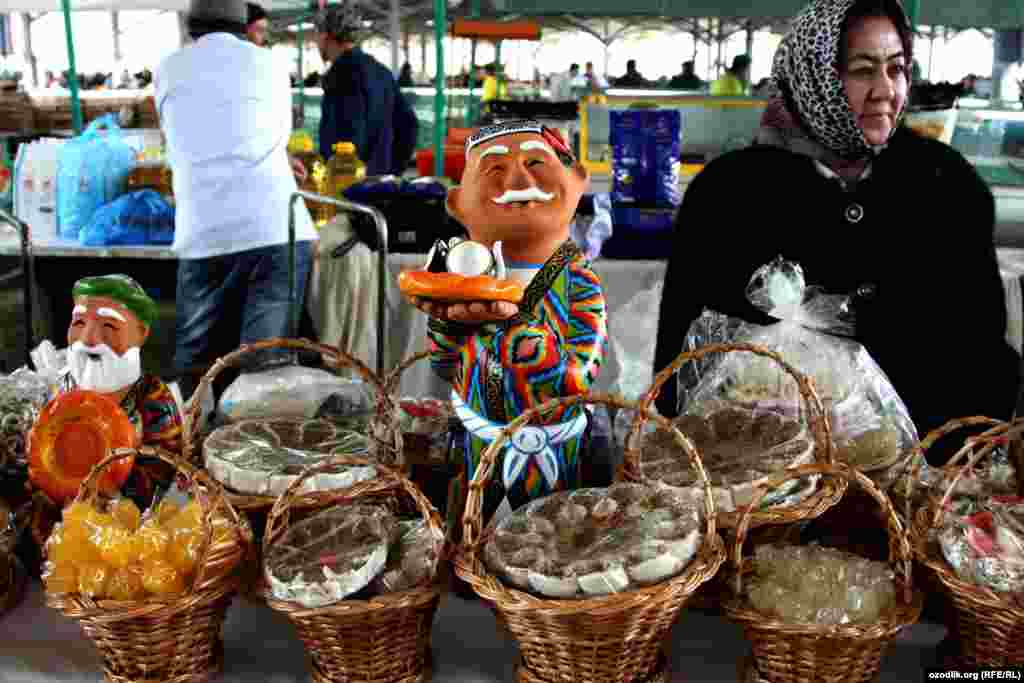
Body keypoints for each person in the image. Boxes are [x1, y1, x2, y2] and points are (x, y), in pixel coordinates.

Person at [652, 0, 1020, 466]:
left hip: (924, 475)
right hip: (769, 490)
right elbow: (681, 363)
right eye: (863, 70)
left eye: (898, 68)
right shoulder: (729, 194)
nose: (886, 90)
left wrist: (963, 469)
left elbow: (983, 348)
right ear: (813, 77)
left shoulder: (945, 182)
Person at [405, 120, 608, 532]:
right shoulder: (458, 281)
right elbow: (445, 366)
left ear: (576, 182)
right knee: (472, 537)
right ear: (459, 204)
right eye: (495, 171)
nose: (517, 180)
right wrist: (444, 323)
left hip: (554, 446)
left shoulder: (577, 282)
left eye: (536, 162)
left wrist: (510, 322)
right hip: (479, 440)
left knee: (551, 540)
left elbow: (578, 376)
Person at [155, 0, 317, 399]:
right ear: (244, 25)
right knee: (262, 370)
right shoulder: (271, 65)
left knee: (196, 362)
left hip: (203, 230)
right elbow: (276, 135)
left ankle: (187, 442)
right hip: (274, 226)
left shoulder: (168, 68)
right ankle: (252, 452)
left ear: (192, 25)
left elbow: (179, 136)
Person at [27, 274, 184, 558]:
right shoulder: (61, 389)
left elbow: (162, 466)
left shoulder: (152, 398)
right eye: (79, 323)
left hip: (124, 528)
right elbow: (40, 453)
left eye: (109, 325)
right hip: (64, 518)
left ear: (141, 332)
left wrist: (112, 502)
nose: (89, 339)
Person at [314, 2, 419, 175]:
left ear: (326, 36)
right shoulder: (381, 71)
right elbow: (409, 126)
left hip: (348, 187)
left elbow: (346, 138)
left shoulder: (339, 75)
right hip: (379, 186)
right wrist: (392, 172)